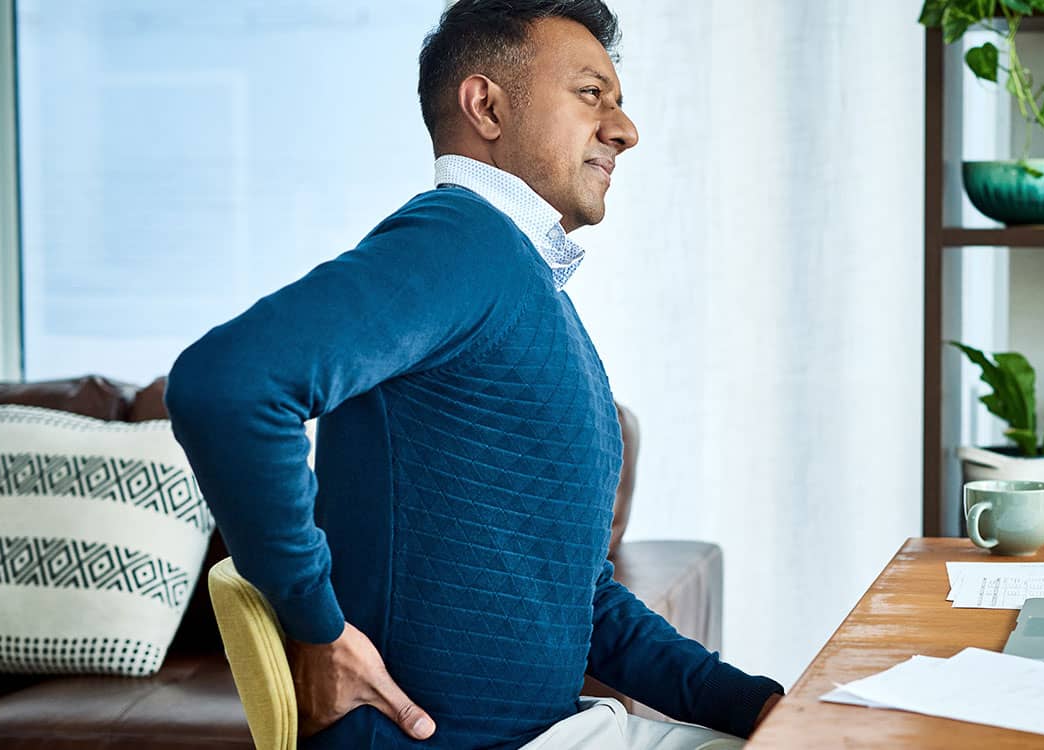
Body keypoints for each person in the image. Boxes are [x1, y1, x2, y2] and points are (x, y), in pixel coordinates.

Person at [165, 2, 783, 748]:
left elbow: (581, 602)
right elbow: (228, 384)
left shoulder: (520, 282)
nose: (625, 129)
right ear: (486, 107)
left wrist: (758, 707)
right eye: (592, 94)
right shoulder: (462, 242)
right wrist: (317, 628)